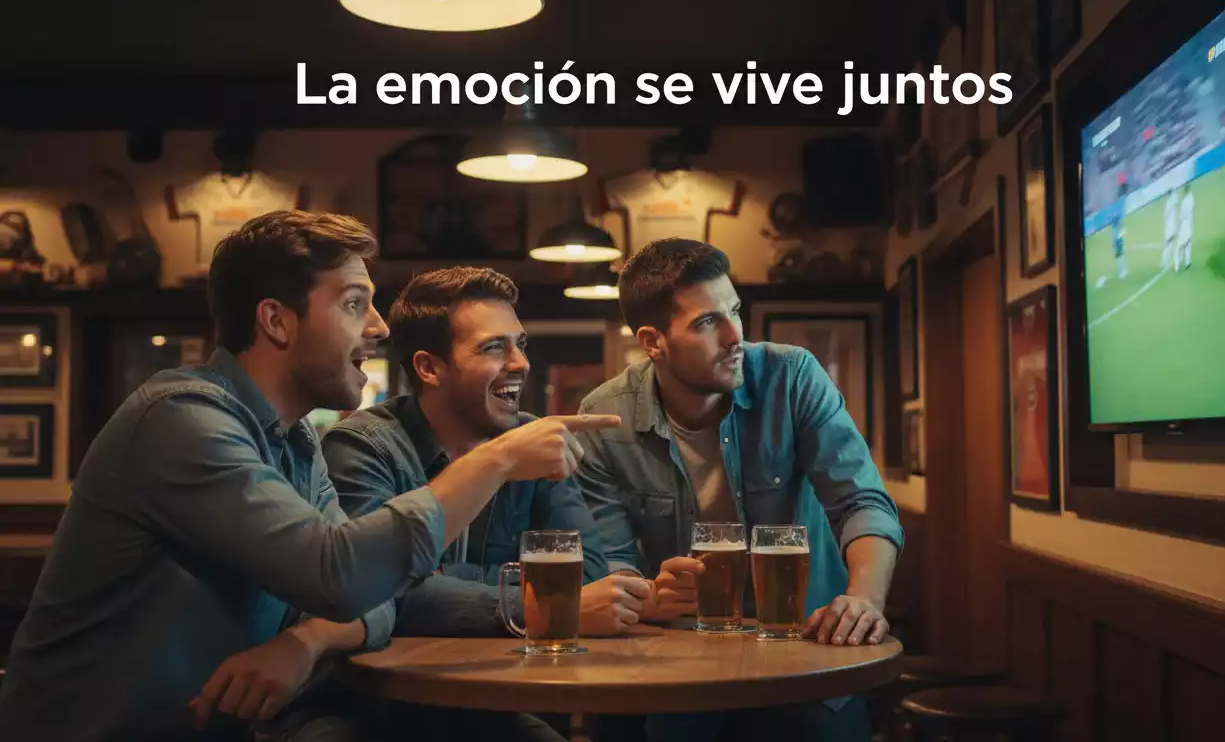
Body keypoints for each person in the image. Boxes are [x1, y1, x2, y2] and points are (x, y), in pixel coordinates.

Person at [0, 210, 617, 742]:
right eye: (353, 303)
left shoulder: (295, 441)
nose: (378, 326)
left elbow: (372, 597)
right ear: (276, 321)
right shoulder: (181, 418)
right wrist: (498, 458)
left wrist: (307, 641)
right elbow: (343, 575)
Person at [572, 238, 905, 742]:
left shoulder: (791, 376)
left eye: (734, 311)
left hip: (806, 649)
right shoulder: (603, 416)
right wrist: (648, 597)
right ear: (653, 341)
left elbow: (862, 503)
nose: (735, 336)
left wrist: (864, 599)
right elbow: (611, 559)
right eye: (707, 322)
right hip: (679, 664)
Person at [323, 266, 651, 643]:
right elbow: (371, 590)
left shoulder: (535, 439)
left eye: (520, 345)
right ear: (429, 368)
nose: (521, 363)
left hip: (524, 675)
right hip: (396, 678)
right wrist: (536, 604)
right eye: (494, 347)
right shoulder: (363, 446)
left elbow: (587, 576)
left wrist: (440, 578)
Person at [1178, 183, 1196, 271]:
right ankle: (1187, 262)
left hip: (1184, 224)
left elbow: (1182, 215)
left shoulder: (1184, 201)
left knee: (1183, 244)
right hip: (1189, 224)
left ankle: (1182, 261)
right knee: (1188, 243)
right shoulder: (1191, 198)